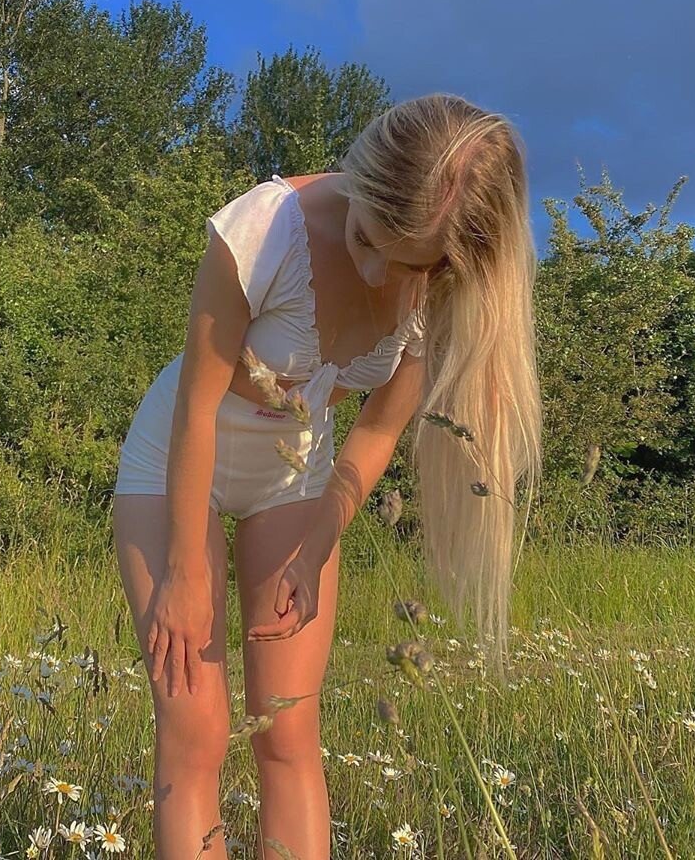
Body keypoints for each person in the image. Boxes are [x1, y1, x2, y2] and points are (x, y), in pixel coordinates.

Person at [111, 92, 543, 858]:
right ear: (360, 177)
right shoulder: (262, 230)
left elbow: (376, 429)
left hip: (296, 480)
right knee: (194, 725)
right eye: (368, 238)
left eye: (407, 262)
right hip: (177, 458)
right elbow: (196, 408)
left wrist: (315, 546)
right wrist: (183, 571)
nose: (377, 270)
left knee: (286, 729)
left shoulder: (444, 287)